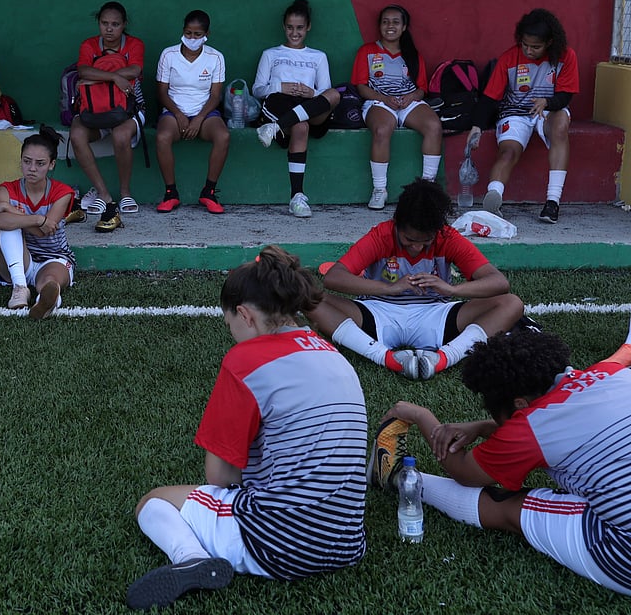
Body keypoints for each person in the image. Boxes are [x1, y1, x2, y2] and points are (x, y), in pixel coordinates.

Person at [126, 246, 367, 611]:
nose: (232, 336)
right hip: (347, 543)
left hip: (278, 547)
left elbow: (220, 476)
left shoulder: (245, 360)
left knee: (155, 501)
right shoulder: (328, 351)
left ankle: (190, 558)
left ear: (244, 314)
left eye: (230, 326)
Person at [373, 324, 631, 596]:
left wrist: (421, 415)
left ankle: (396, 477)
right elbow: (568, 423)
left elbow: (464, 472)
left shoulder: (531, 428)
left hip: (622, 551)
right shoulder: (613, 373)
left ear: (519, 404)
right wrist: (484, 427)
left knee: (505, 505)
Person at [307, 178, 524, 380]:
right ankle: (387, 358)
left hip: (436, 315)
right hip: (377, 312)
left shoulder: (447, 236)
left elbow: (499, 283)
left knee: (512, 303)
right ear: (397, 224)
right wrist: (390, 288)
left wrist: (451, 290)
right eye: (409, 239)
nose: (417, 247)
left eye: (426, 241)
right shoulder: (382, 235)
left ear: (436, 231)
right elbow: (334, 278)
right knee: (307, 298)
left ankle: (442, 359)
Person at [468, 8, 578, 225]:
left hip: (550, 109)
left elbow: (566, 96)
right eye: (524, 44)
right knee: (508, 151)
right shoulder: (509, 58)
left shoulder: (566, 56)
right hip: (515, 112)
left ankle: (552, 201)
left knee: (561, 126)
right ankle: (494, 198)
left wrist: (547, 102)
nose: (528, 50)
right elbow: (490, 97)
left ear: (550, 42)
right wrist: (477, 126)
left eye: (535, 47)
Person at [252, 0, 341, 218]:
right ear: (284, 27)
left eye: (300, 28)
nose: (294, 33)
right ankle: (297, 197)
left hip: (310, 106)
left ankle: (274, 129)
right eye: (290, 27)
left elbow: (325, 91)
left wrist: (312, 93)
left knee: (335, 94)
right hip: (281, 103)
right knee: (300, 127)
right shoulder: (271, 54)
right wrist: (281, 86)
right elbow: (257, 89)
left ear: (308, 27)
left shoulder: (318, 57)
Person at [351, 4, 441, 210]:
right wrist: (383, 98)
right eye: (385, 22)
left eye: (395, 22)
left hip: (408, 102)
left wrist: (410, 97)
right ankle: (380, 190)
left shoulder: (412, 54)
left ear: (404, 27)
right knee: (382, 130)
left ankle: (428, 188)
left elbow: (422, 89)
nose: (390, 26)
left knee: (434, 127)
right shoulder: (367, 51)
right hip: (379, 102)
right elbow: (361, 86)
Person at [70, 1, 147, 232]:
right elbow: (82, 71)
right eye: (104, 23)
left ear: (124, 25)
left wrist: (97, 77)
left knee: (121, 136)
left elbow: (134, 70)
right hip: (95, 110)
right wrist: (114, 77)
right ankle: (103, 194)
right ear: (98, 23)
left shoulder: (134, 44)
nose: (109, 29)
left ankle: (125, 194)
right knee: (76, 134)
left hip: (128, 109)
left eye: (115, 24)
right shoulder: (89, 45)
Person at [0, 126, 75, 319]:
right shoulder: (7, 189)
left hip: (53, 257)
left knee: (50, 282)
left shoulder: (63, 192)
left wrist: (9, 209)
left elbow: (45, 230)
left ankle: (46, 303)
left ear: (51, 165)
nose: (32, 168)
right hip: (15, 261)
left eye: (40, 163)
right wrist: (36, 218)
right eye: (27, 162)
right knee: (7, 227)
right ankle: (19, 288)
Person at [153, 10, 229, 215]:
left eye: (197, 35)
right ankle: (171, 193)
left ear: (207, 34)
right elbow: (161, 92)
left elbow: (215, 96)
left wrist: (199, 119)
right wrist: (178, 114)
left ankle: (209, 192)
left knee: (223, 136)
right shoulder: (169, 54)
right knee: (162, 138)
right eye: (188, 33)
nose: (192, 39)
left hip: (204, 114)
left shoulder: (216, 57)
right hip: (173, 110)